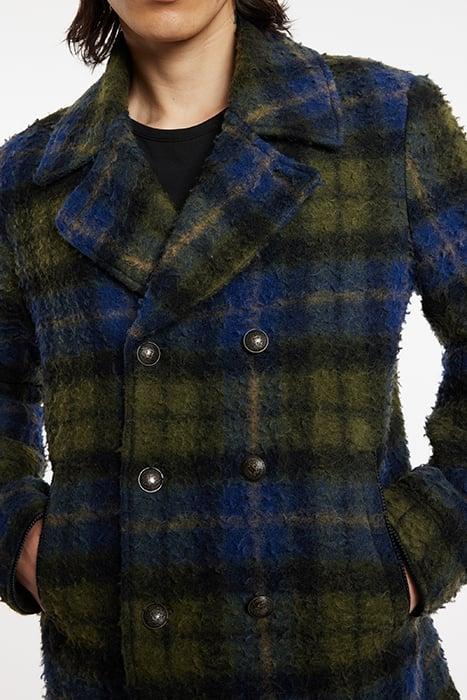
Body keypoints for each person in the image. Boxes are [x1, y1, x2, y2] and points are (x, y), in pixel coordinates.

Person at [0, 0, 465, 697]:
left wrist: (427, 542)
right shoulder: (29, 175)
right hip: (110, 662)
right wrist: (19, 535)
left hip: (346, 660)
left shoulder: (385, 120)